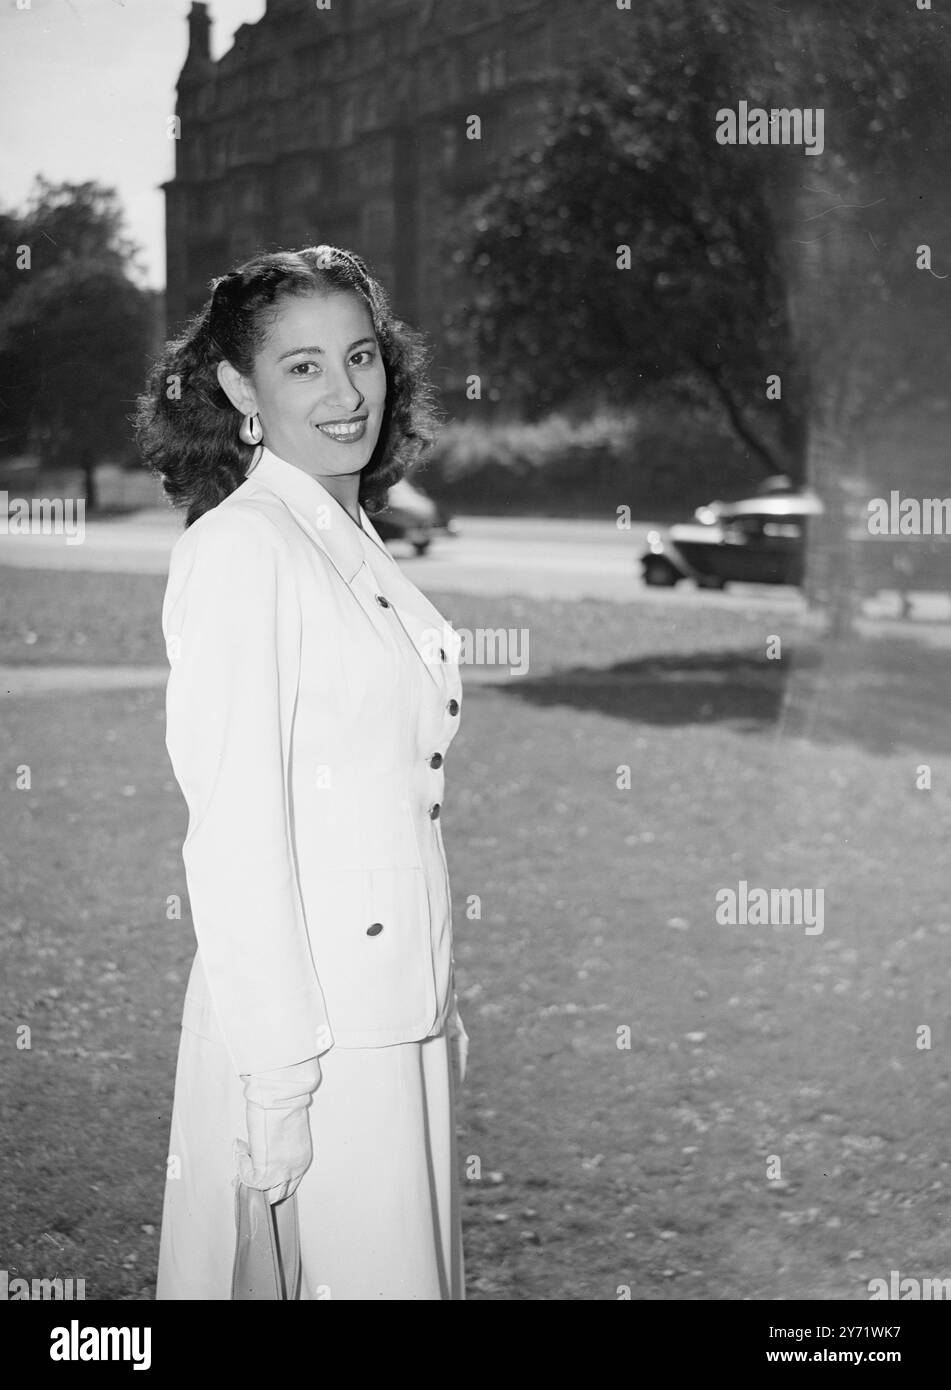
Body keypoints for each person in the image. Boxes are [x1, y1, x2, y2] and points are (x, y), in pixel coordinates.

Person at [135, 245, 468, 1300]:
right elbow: (236, 837)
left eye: (360, 356)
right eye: (304, 366)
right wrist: (278, 1082)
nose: (347, 392)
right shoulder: (245, 549)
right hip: (315, 1037)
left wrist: (436, 1003)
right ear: (239, 386)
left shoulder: (346, 534)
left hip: (394, 1016)